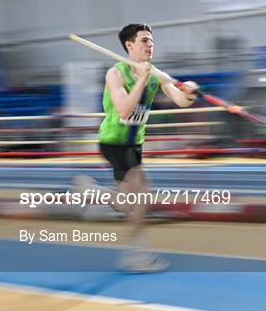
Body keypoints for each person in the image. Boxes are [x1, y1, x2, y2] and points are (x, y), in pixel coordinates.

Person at [73, 23, 198, 272]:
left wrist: (191, 92)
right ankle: (134, 253)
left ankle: (92, 192)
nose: (150, 45)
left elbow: (181, 100)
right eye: (144, 40)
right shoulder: (115, 74)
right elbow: (123, 109)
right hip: (114, 142)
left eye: (151, 41)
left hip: (134, 143)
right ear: (129, 45)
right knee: (140, 198)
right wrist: (141, 80)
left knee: (129, 202)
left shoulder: (157, 74)